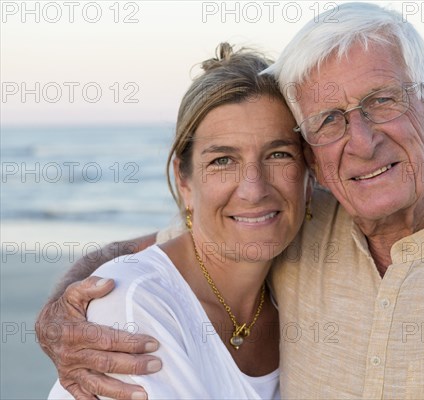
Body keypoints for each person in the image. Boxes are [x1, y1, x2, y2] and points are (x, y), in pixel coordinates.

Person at [37, 3, 424, 399]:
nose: (361, 141)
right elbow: (159, 256)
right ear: (314, 156)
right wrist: (62, 308)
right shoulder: (287, 227)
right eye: (328, 120)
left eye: (382, 101)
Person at [46, 43, 310, 399]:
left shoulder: (292, 302)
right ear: (184, 181)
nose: (254, 189)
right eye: (222, 160)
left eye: (279, 154)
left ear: (311, 173)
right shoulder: (133, 302)